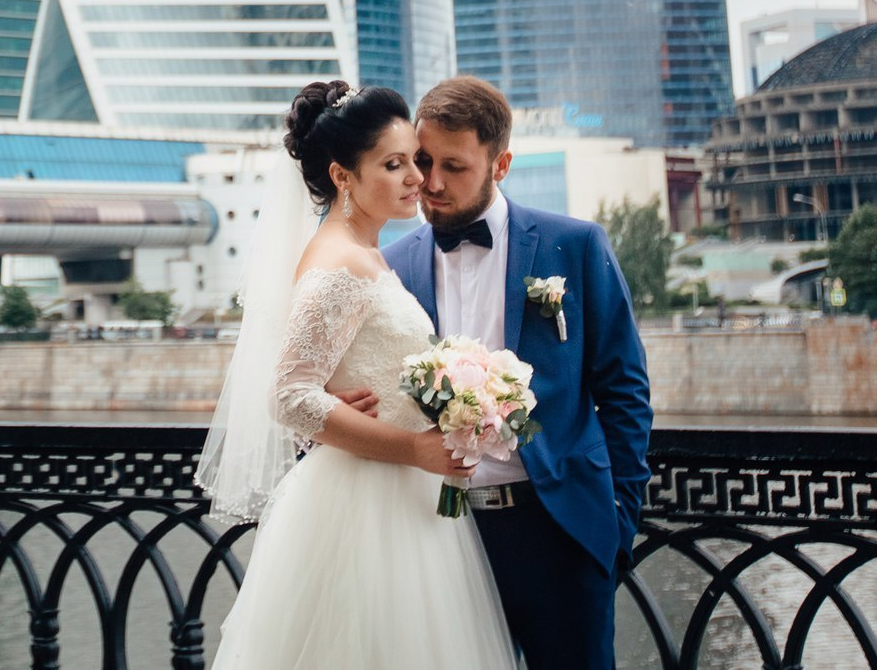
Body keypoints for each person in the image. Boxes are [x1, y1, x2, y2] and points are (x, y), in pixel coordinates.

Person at [198, 79, 519, 670]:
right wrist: (414, 448)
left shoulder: (365, 253)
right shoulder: (340, 263)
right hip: (367, 508)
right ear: (343, 176)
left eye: (415, 161)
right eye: (394, 165)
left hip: (404, 498)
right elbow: (289, 396)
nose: (418, 179)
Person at [383, 75, 653, 670]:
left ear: (500, 164)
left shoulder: (575, 245)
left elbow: (625, 392)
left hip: (558, 529)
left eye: (454, 166)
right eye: (423, 161)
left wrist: (617, 521)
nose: (432, 182)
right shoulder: (391, 265)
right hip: (440, 537)